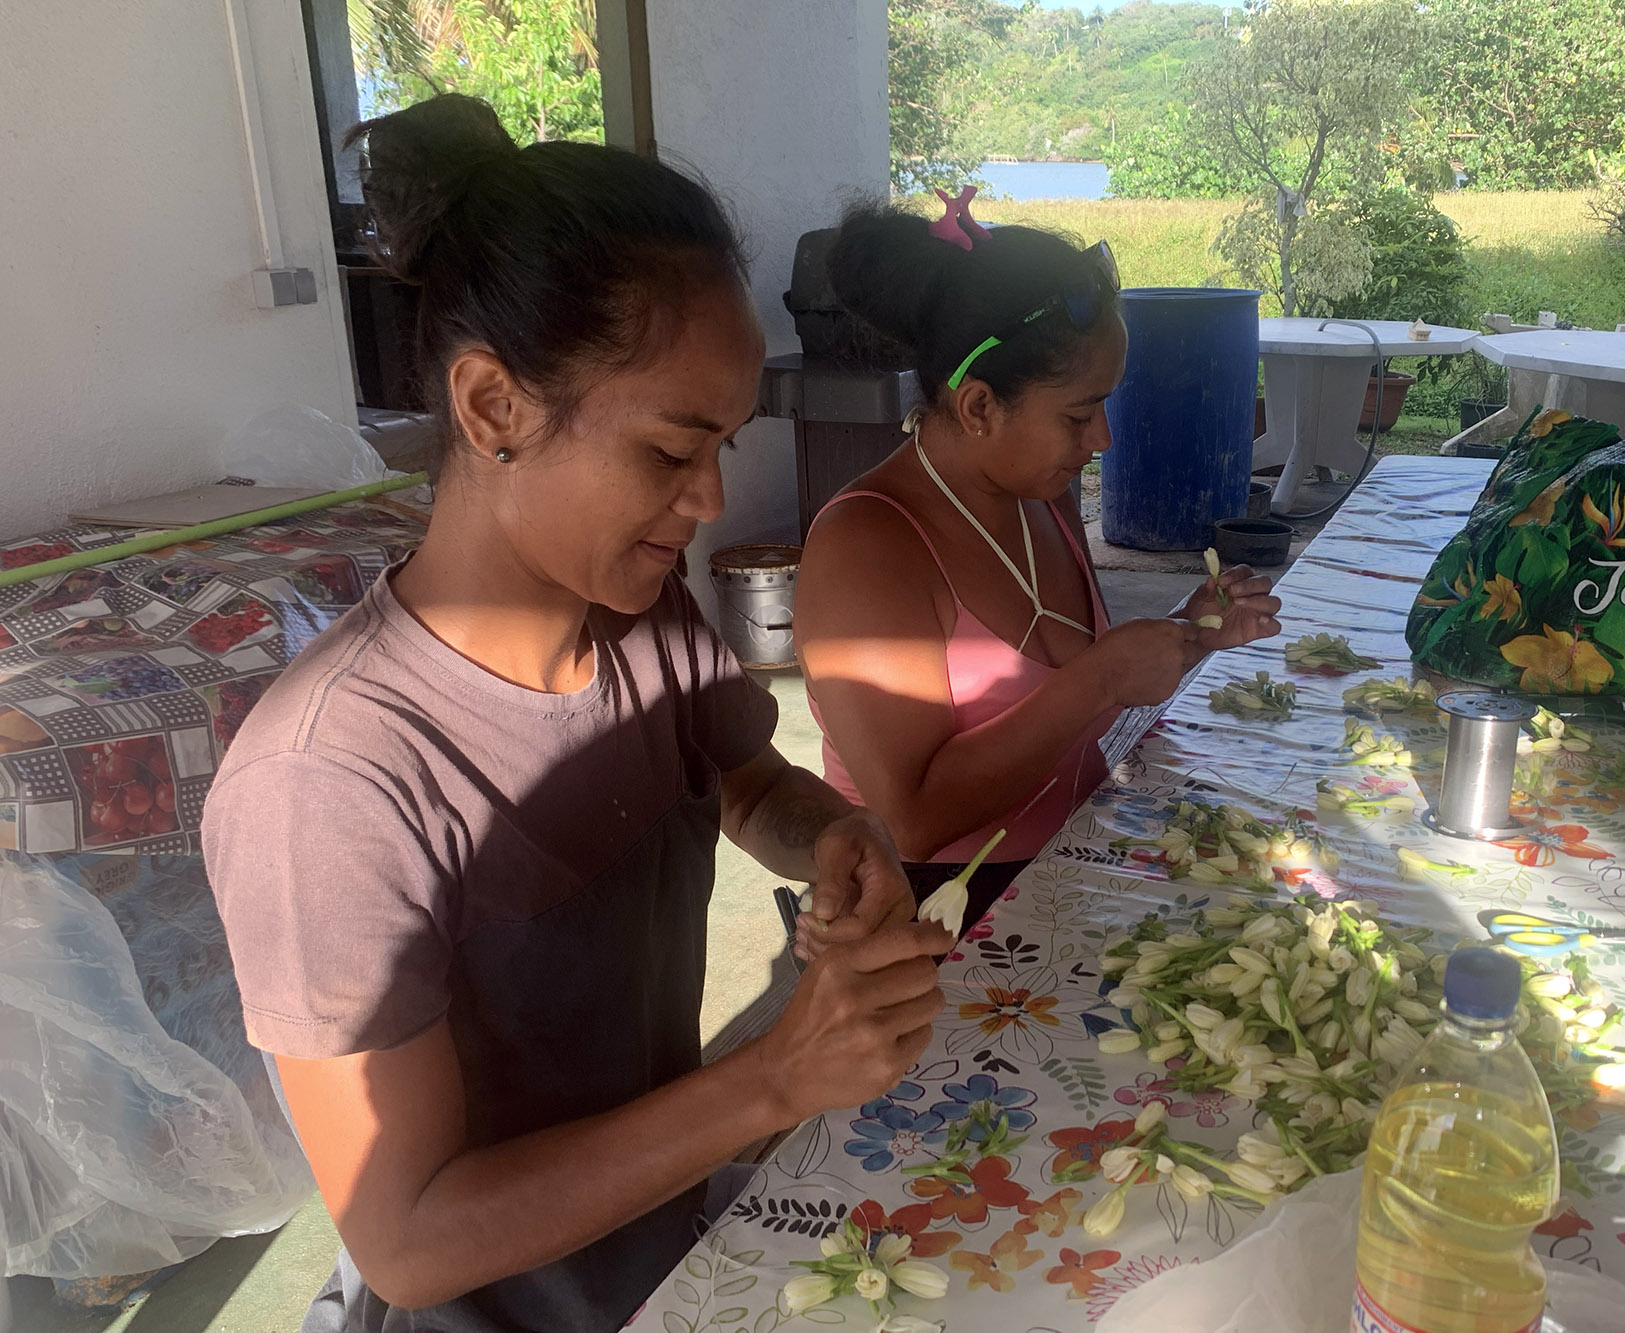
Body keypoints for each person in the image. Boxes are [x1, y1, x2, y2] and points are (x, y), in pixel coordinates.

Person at [201, 95, 950, 1332]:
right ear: (494, 407)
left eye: (724, 443)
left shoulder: (638, 616)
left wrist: (833, 838)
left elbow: (747, 783)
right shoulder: (332, 781)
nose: (708, 500)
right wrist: (771, 1079)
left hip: (666, 1259)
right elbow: (407, 1238)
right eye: (669, 452)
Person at [794, 201, 1282, 930]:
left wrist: (1187, 633)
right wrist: (1106, 677)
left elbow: (1068, 699)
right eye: (1080, 413)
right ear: (980, 406)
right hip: (946, 922)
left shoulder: (1039, 499)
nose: (1105, 438)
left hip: (1072, 872)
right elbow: (915, 818)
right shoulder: (867, 548)